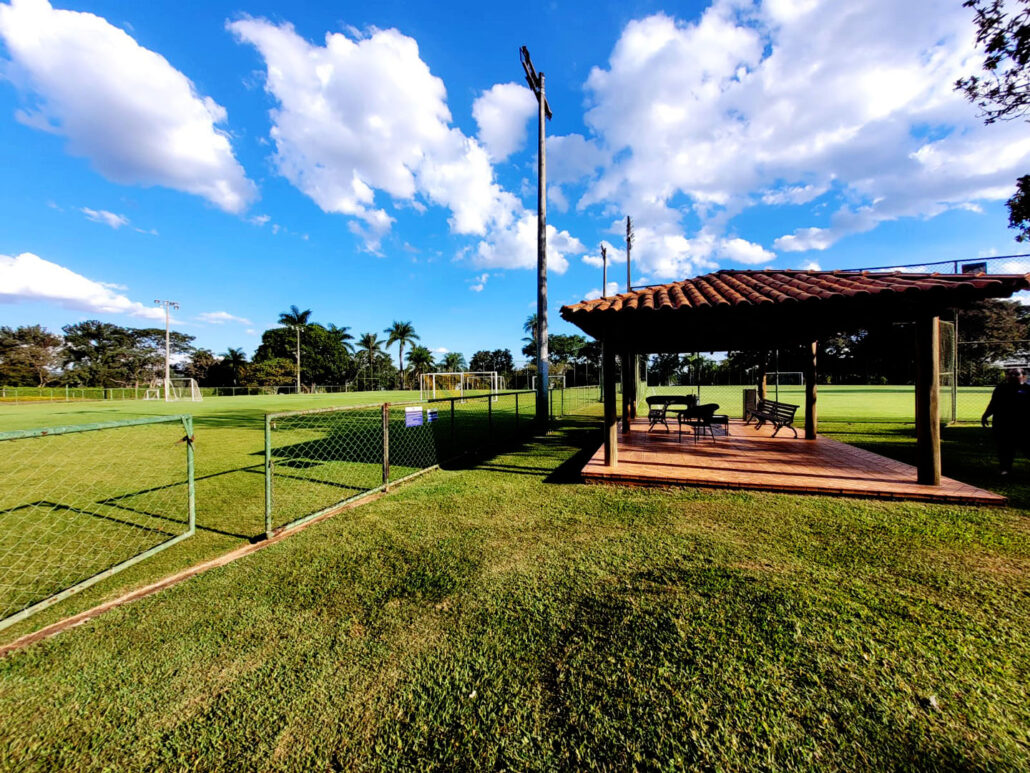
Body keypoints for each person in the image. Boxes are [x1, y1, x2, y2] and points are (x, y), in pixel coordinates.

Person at [981, 367, 1030, 475]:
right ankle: (1005, 468)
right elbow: (993, 403)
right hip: (1002, 424)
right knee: (1004, 448)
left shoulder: (1028, 389)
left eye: (1016, 374)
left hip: (1023, 425)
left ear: (1024, 377)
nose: (1012, 376)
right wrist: (985, 415)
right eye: (1009, 374)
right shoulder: (1000, 388)